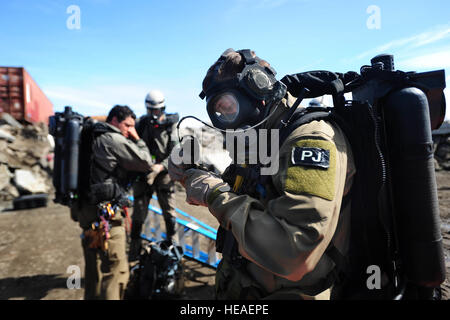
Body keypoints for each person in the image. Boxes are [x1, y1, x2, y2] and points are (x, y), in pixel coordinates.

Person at [169, 49, 356, 300]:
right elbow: (249, 193)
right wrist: (195, 174)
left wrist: (212, 193)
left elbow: (294, 251)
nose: (226, 121)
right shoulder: (267, 135)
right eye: (218, 113)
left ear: (259, 89)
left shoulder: (309, 140)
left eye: (228, 107)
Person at [71, 105, 153, 300]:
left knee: (93, 269)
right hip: (106, 215)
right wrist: (138, 138)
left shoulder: (87, 137)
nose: (129, 129)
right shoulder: (112, 138)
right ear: (114, 120)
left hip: (85, 210)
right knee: (115, 270)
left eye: (132, 126)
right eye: (127, 125)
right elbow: (145, 161)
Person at [128, 90, 179, 262]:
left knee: (169, 212)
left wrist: (160, 167)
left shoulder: (171, 126)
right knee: (139, 213)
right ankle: (134, 249)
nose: (155, 114)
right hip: (144, 175)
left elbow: (175, 153)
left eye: (158, 110)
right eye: (152, 111)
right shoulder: (141, 124)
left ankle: (175, 250)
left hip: (164, 174)